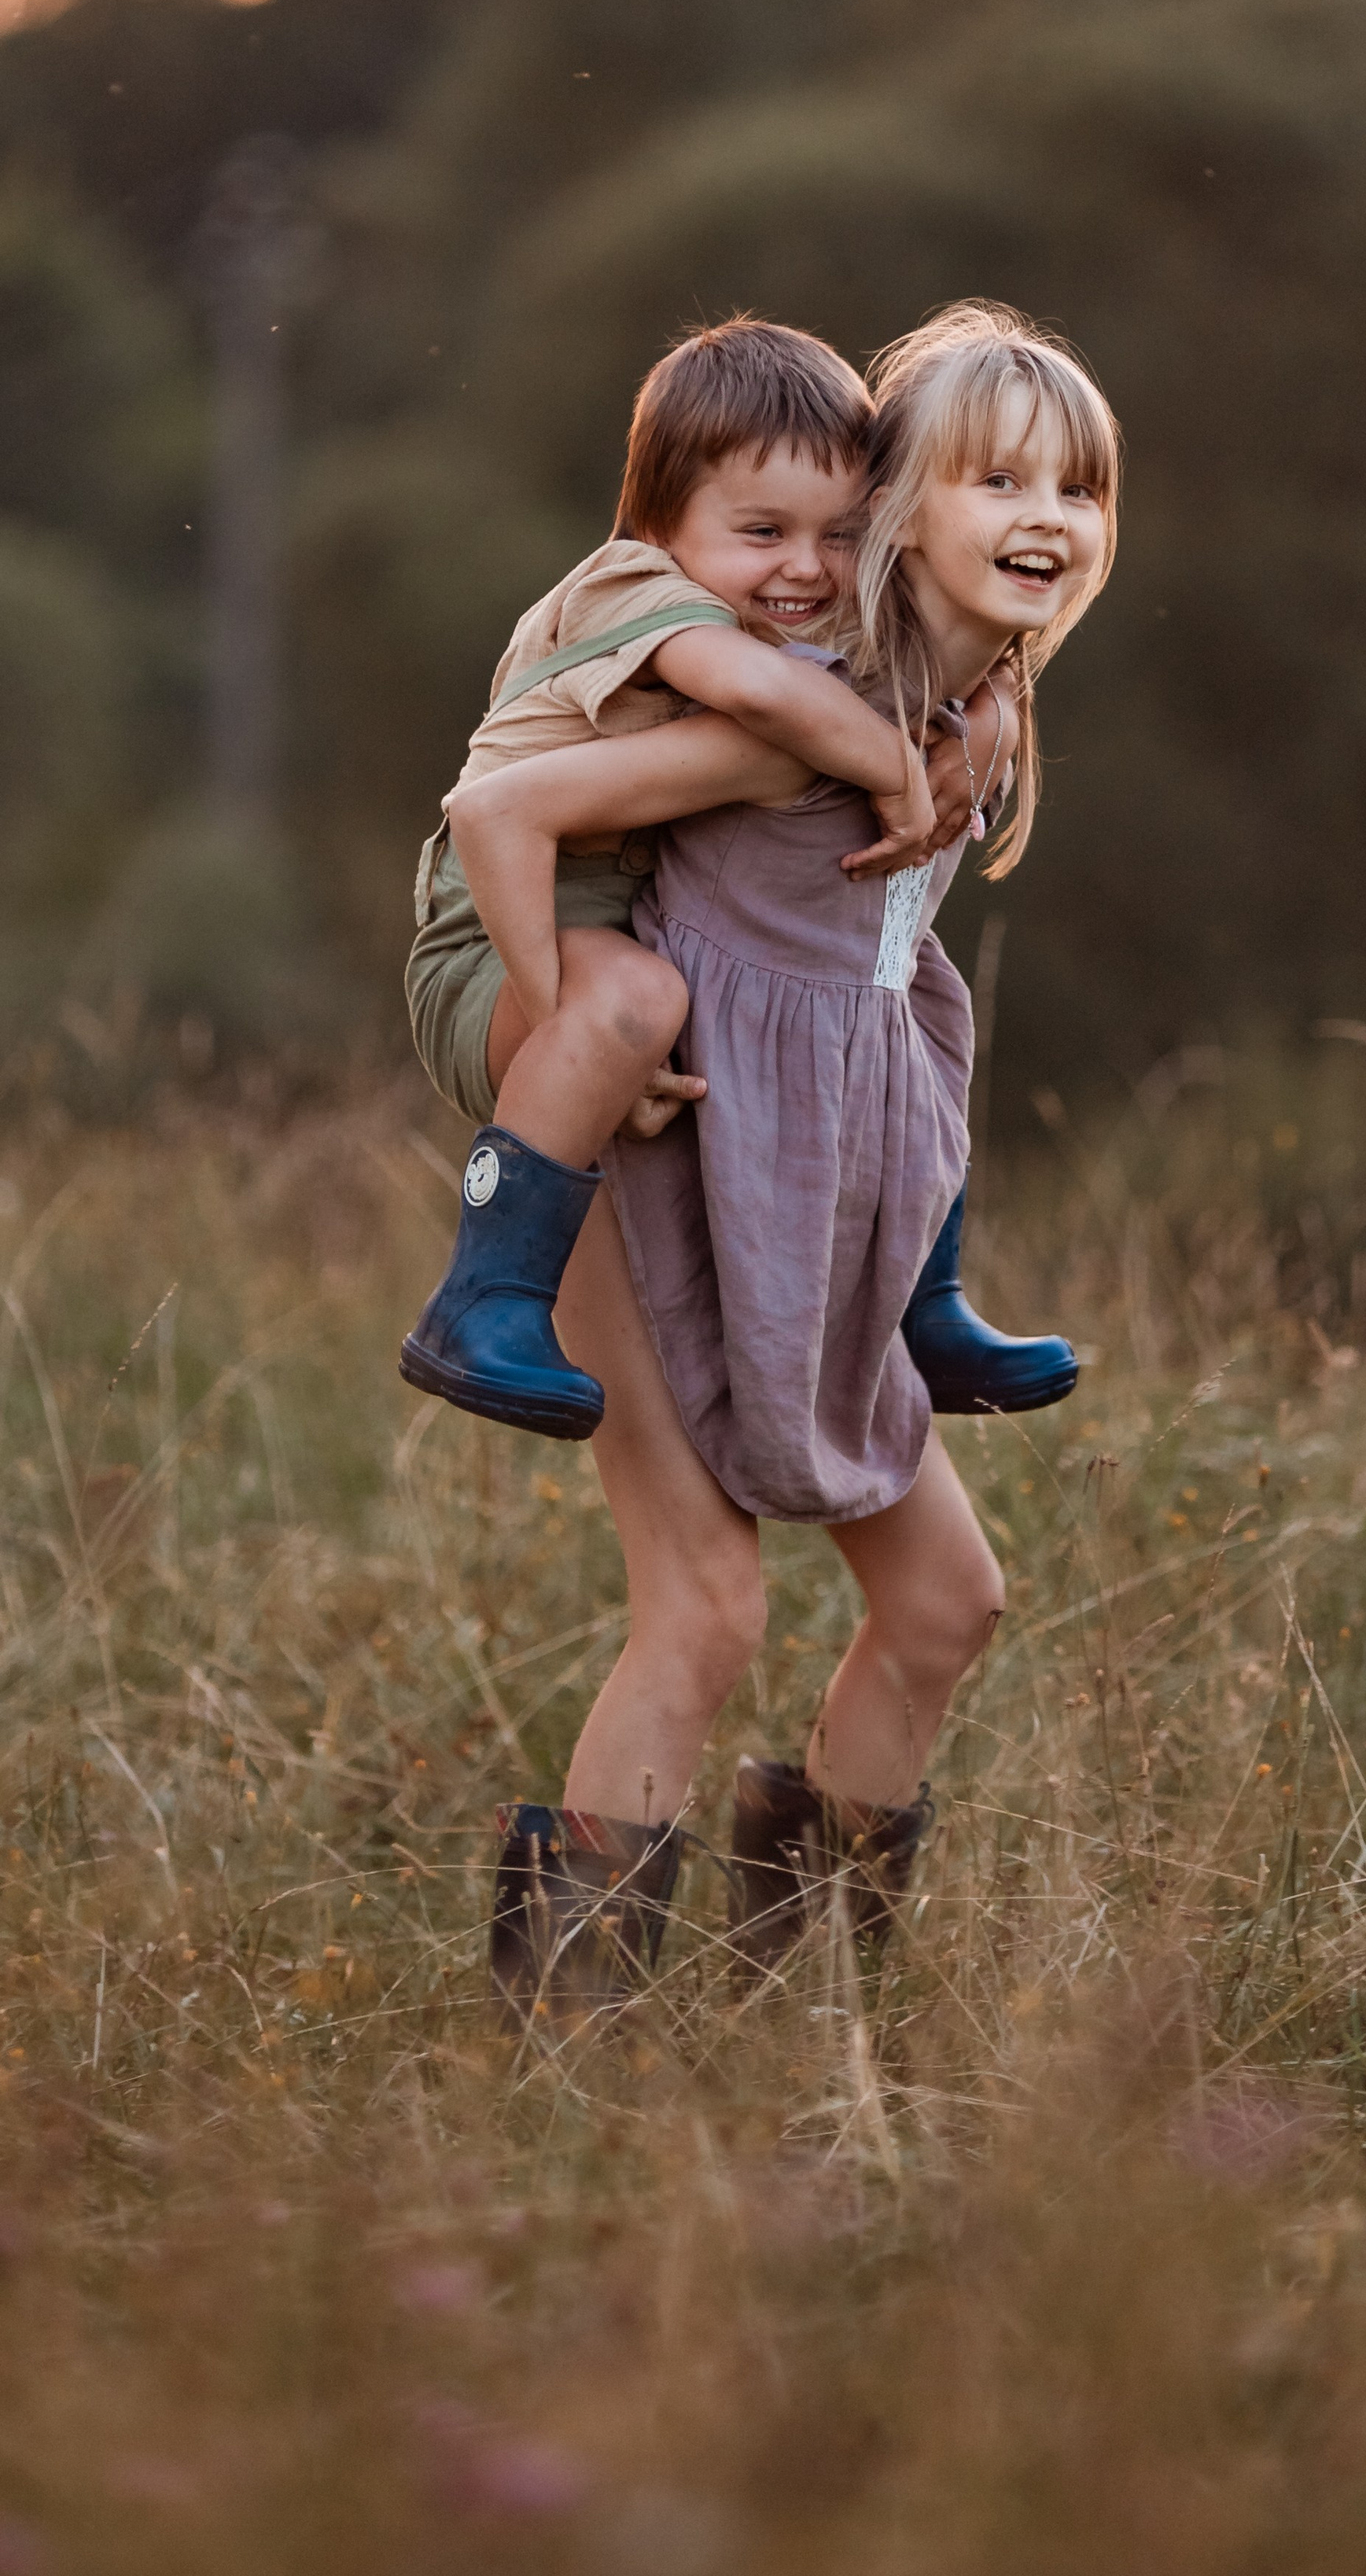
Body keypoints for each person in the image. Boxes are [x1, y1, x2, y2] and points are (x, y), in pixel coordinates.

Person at [455, 302, 1121, 2020]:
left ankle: (798, 2016)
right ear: (906, 505)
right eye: (996, 480)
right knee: (706, 1603)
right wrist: (561, 1020)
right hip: (656, 1172)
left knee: (946, 1602)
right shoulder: (793, 714)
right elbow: (512, 809)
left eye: (1078, 488)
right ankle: (567, 2045)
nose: (1045, 516)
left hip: (809, 1191)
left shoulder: (965, 708)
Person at [397, 315, 1062, 1444]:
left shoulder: (781, 606)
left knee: (904, 987)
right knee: (636, 1004)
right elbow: (765, 700)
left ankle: (924, 1300)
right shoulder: (634, 592)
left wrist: (989, 713)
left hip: (622, 918)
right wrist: (898, 771)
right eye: (763, 530)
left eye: (842, 534)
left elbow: (955, 653)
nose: (805, 566)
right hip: (502, 929)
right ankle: (483, 1300)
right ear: (663, 526)